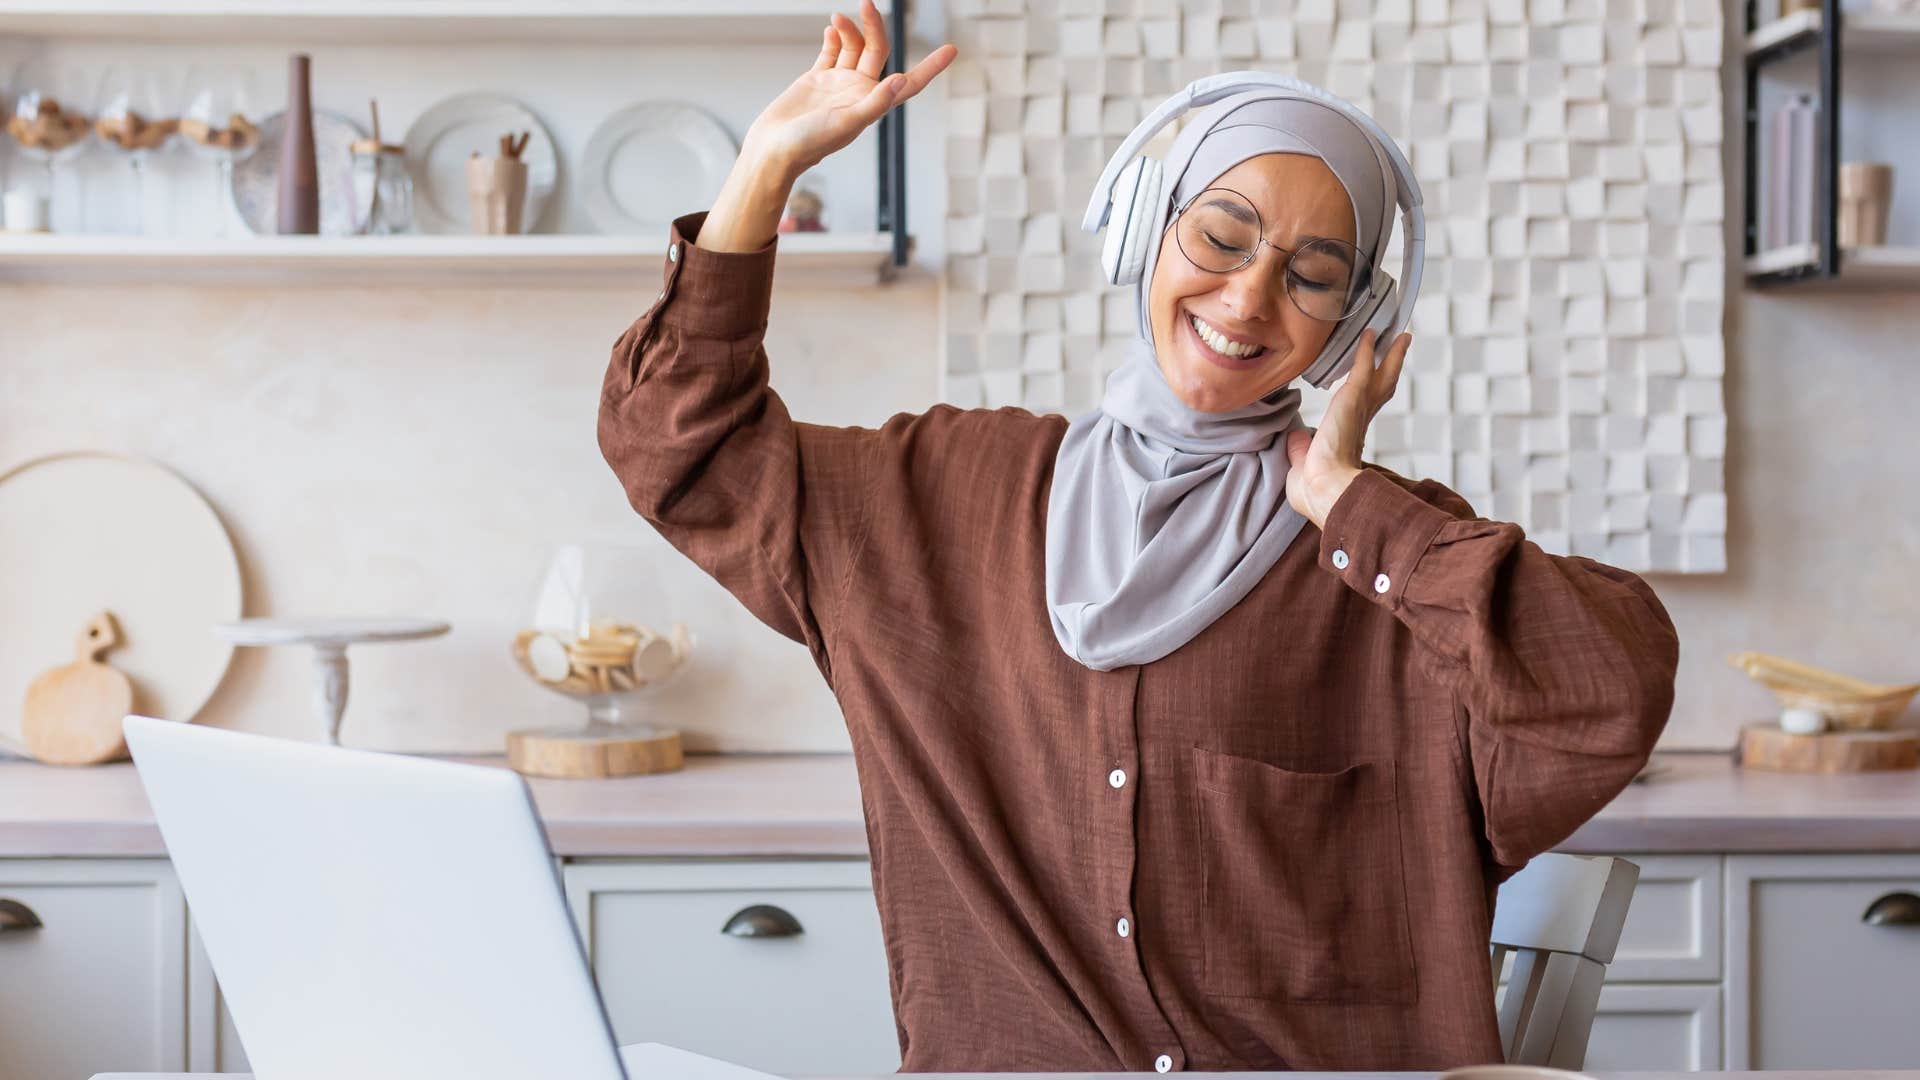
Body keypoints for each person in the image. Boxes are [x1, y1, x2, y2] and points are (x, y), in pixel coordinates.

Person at [598, 2, 1679, 1071]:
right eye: (1220, 234)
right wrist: (763, 173)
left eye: (1311, 275)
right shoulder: (932, 497)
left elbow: (1606, 698)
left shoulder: (1385, 559)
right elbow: (674, 447)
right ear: (1143, 232)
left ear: (1351, 328)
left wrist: (1358, 508)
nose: (1249, 295)